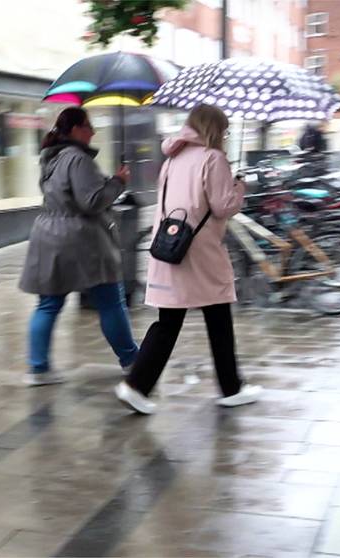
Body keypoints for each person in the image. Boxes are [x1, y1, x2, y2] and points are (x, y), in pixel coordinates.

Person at [115, 104, 261, 414]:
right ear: (213, 129)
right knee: (218, 316)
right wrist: (239, 186)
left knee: (170, 321)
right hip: (201, 254)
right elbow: (222, 207)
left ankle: (137, 384)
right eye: (223, 130)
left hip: (171, 248)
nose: (224, 135)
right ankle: (230, 388)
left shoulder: (173, 158)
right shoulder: (213, 158)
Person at [18, 107, 137, 386]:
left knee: (48, 304)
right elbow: (91, 201)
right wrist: (118, 182)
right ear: (74, 129)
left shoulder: (51, 157)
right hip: (80, 238)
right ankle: (132, 360)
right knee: (110, 300)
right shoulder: (78, 158)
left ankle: (38, 368)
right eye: (88, 126)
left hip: (48, 234)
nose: (92, 132)